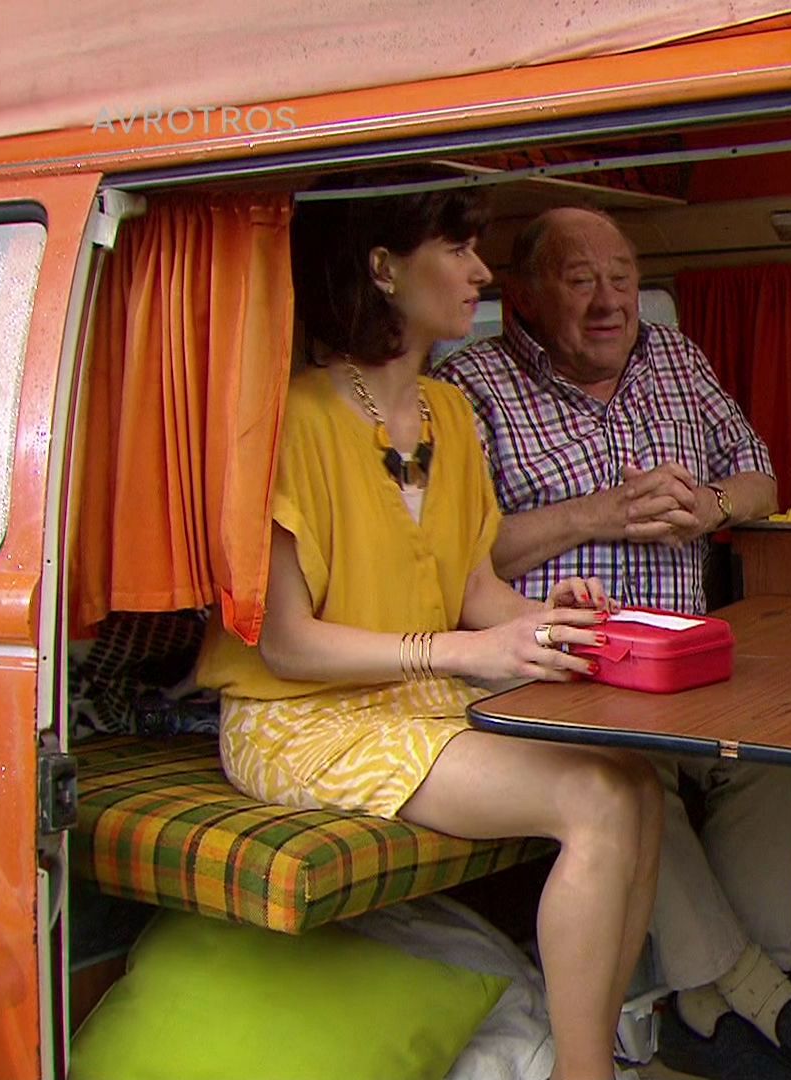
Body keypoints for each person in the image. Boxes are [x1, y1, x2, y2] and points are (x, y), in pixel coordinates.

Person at [193, 175, 661, 1080]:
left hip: (415, 704)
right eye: (458, 250)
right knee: (597, 801)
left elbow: (473, 588)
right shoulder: (295, 419)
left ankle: (589, 1055)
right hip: (300, 719)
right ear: (383, 268)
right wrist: (467, 651)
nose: (481, 271)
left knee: (638, 785)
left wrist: (544, 620)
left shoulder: (451, 412)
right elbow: (284, 642)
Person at [436, 207, 791, 1080]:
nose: (609, 301)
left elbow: (760, 477)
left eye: (622, 278)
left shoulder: (676, 358)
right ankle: (762, 999)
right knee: (632, 772)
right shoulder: (469, 386)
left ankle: (709, 1006)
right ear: (525, 294)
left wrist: (712, 506)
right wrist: (593, 515)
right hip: (560, 671)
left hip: (687, 664)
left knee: (773, 758)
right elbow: (458, 560)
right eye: (581, 281)